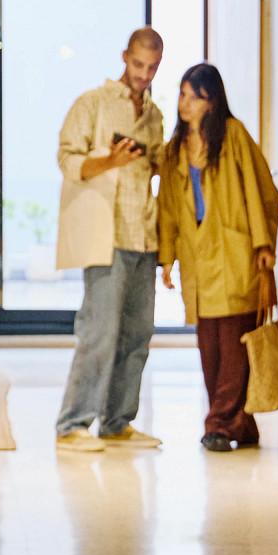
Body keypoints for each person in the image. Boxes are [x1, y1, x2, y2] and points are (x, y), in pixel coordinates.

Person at [156, 62, 278, 452]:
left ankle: (219, 424)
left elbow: (262, 190)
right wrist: (167, 257)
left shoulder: (234, 135)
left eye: (196, 96)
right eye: (183, 94)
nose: (186, 104)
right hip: (197, 258)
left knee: (234, 346)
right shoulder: (174, 149)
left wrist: (263, 245)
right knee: (210, 348)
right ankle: (239, 424)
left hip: (235, 253)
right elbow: (168, 208)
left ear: (213, 101)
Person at [52, 27, 166, 452]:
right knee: (99, 332)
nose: (144, 74)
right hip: (107, 234)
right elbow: (67, 159)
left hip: (144, 234)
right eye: (138, 65)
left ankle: (117, 423)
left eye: (152, 67)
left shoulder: (154, 116)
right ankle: (71, 425)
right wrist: (109, 160)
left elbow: (155, 167)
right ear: (124, 57)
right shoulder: (93, 103)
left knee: (137, 334)